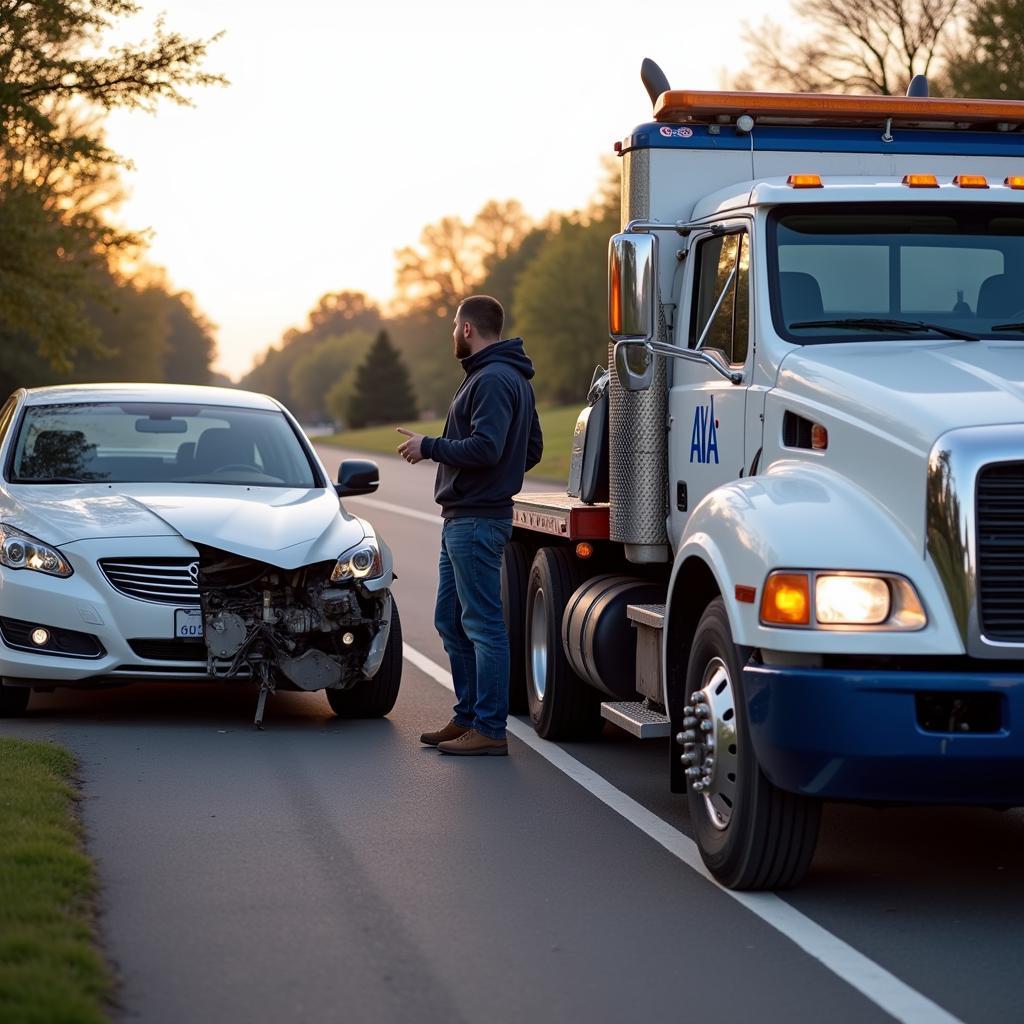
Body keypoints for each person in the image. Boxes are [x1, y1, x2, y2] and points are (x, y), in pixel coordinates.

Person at [397, 295, 542, 756]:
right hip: (465, 516)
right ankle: (466, 719)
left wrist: (431, 446)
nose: (452, 335)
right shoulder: (501, 375)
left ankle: (489, 729)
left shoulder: (496, 379)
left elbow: (487, 447)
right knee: (452, 621)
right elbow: (531, 448)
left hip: (478, 519)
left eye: (453, 327)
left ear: (466, 330)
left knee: (482, 625)